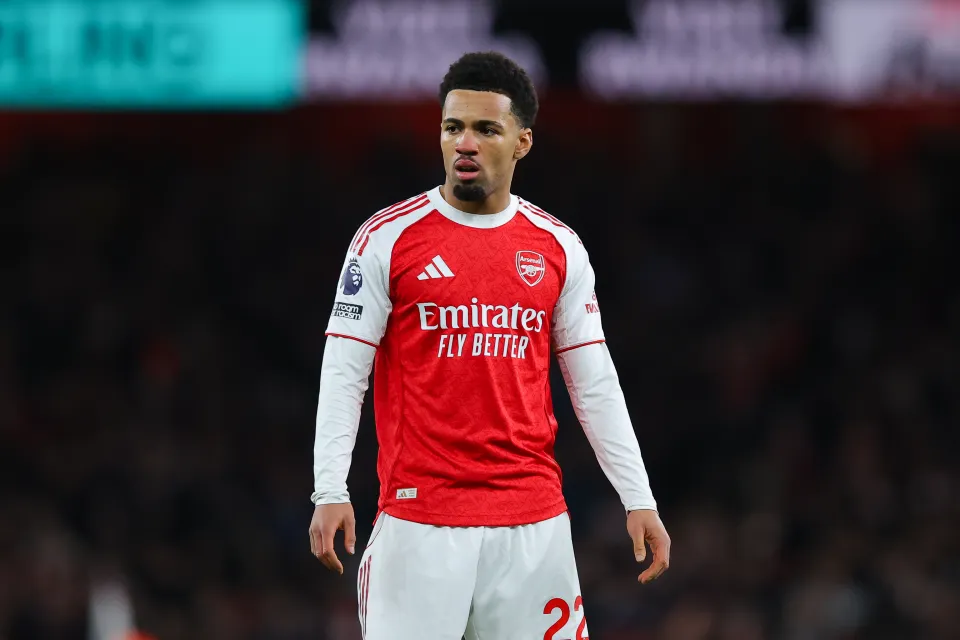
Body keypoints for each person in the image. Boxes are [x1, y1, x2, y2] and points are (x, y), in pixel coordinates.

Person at [309, 51, 671, 639]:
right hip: (419, 523)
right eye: (453, 127)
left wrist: (639, 496)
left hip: (532, 525)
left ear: (522, 142)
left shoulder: (558, 247)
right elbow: (344, 369)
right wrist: (330, 487)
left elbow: (594, 382)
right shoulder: (386, 239)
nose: (465, 143)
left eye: (485, 128)